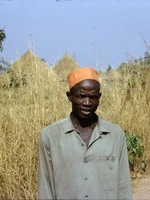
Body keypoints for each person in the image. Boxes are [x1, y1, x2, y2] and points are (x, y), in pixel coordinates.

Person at [38, 67, 132, 199]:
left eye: (93, 97)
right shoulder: (51, 136)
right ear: (69, 97)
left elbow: (123, 186)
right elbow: (46, 188)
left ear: (99, 97)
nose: (87, 103)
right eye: (81, 96)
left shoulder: (115, 135)